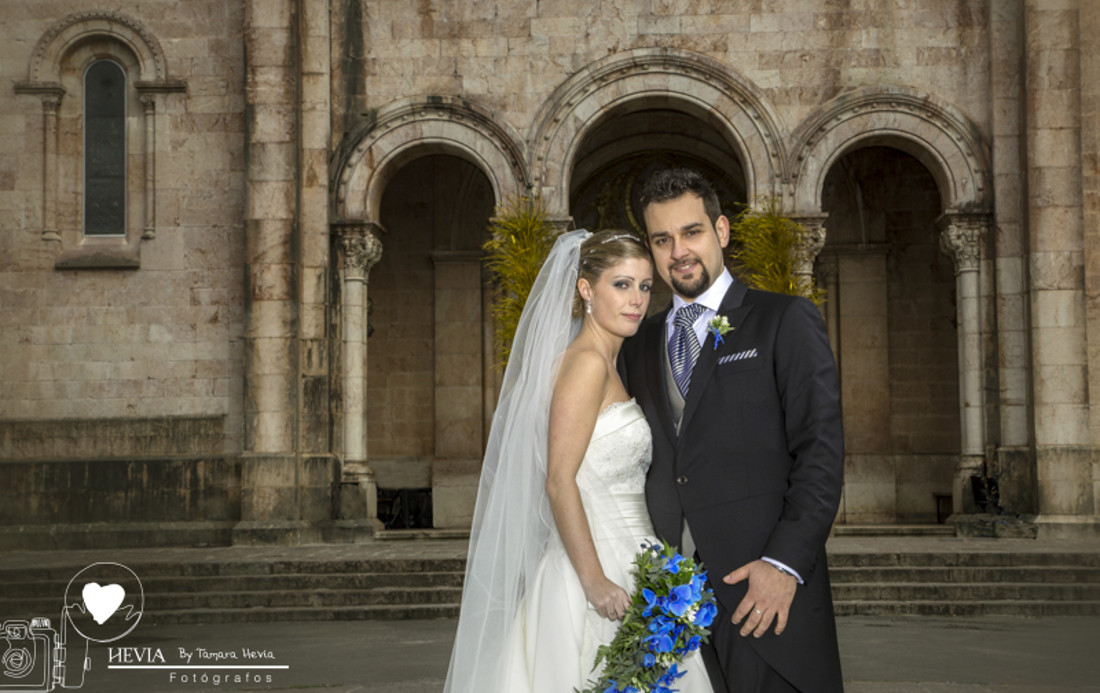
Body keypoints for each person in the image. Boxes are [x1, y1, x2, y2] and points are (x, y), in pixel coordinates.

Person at [443, 229, 712, 693]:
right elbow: (558, 480)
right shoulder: (586, 363)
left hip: (636, 558)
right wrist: (594, 582)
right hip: (596, 569)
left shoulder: (608, 363)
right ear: (586, 289)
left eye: (645, 286)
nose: (637, 300)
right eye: (621, 284)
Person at [620, 167, 845, 693]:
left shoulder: (784, 319)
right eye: (662, 239)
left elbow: (821, 451)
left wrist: (784, 564)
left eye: (691, 232)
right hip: (670, 610)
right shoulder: (636, 344)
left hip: (763, 597)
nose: (679, 250)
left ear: (720, 232)